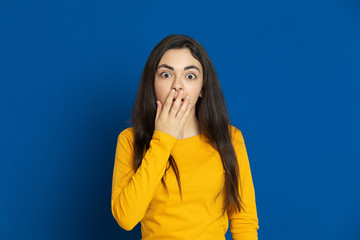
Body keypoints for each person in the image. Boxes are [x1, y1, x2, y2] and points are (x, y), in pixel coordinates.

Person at [111, 35, 259, 240]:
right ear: (152, 84)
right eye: (166, 74)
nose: (177, 86)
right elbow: (126, 218)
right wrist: (163, 139)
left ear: (202, 88)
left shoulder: (230, 139)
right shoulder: (130, 140)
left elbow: (244, 222)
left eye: (190, 76)